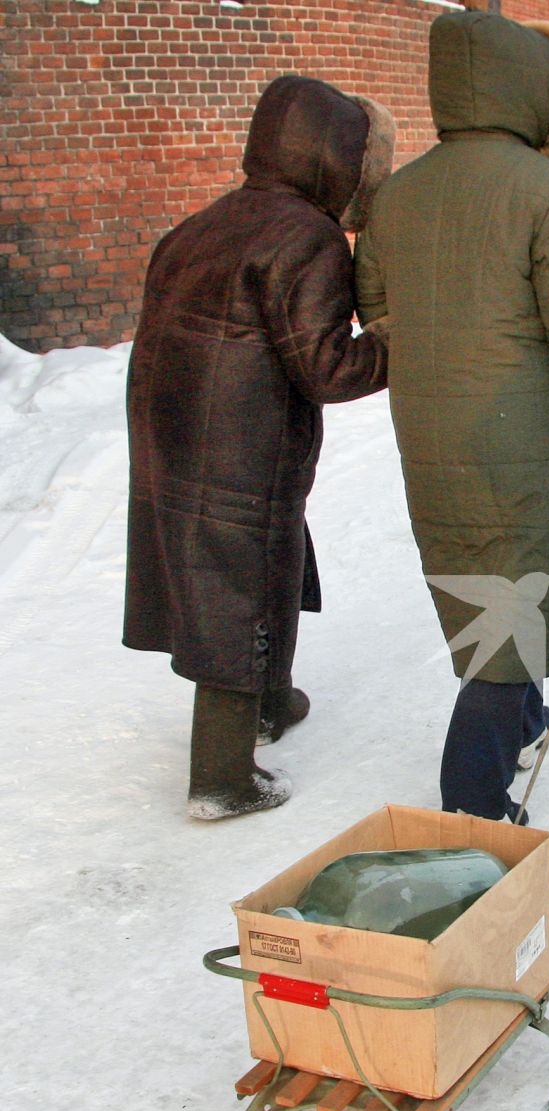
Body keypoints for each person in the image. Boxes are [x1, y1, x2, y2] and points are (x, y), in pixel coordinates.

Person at [355, 11, 549, 823]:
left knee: (486, 582)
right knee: (510, 612)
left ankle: (525, 719)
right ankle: (473, 804)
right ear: (534, 89)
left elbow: (377, 306)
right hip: (519, 436)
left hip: (430, 434)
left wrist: (441, 357)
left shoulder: (401, 192)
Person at [125, 75, 392, 820]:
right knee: (237, 593)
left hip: (178, 440)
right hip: (244, 447)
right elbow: (328, 367)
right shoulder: (305, 236)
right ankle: (221, 778)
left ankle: (271, 701)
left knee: (259, 568)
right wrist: (396, 345)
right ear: (334, 158)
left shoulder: (205, 222)